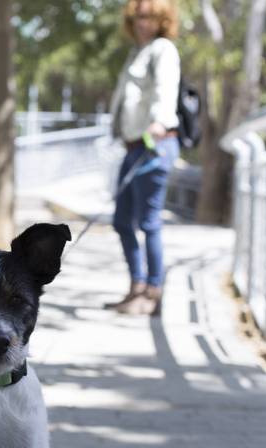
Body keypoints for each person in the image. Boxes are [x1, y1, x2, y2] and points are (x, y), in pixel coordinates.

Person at [108, 0, 181, 315]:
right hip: (133, 146)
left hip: (155, 143)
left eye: (150, 17)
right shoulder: (136, 52)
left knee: (149, 223)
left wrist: (158, 122)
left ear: (162, 19)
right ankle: (136, 286)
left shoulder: (163, 49)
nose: (142, 22)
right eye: (138, 16)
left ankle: (153, 292)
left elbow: (165, 91)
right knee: (122, 221)